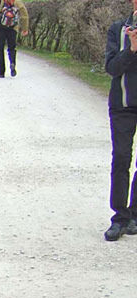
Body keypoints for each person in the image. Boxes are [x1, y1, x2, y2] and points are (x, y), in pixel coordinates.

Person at [103, 0, 137, 241]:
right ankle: (120, 217)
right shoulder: (118, 29)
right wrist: (131, 48)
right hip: (123, 105)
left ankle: (135, 214)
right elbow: (112, 68)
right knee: (122, 158)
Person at [0, 0, 29, 78]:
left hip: (1, 27)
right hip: (13, 28)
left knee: (0, 49)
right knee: (12, 48)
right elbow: (24, 15)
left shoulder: (0, 1)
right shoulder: (17, 1)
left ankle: (1, 72)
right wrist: (25, 28)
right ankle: (12, 63)